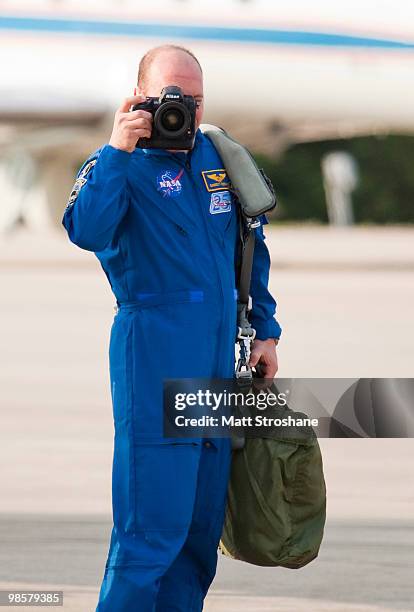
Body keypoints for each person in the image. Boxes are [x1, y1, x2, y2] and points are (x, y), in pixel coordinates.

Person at [62, 44, 281, 612]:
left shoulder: (220, 156)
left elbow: (250, 248)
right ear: (140, 96)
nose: (183, 109)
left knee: (196, 537)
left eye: (195, 99)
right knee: (149, 535)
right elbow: (85, 230)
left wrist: (266, 329)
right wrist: (117, 148)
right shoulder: (118, 163)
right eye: (171, 97)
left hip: (217, 361)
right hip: (155, 355)